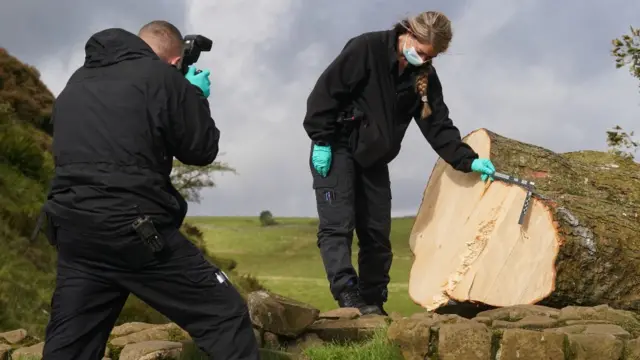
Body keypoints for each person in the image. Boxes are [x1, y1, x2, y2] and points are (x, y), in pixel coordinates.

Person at [40, 21, 260, 360]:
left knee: (71, 345)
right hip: (134, 230)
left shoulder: (77, 82)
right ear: (174, 62)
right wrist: (194, 95)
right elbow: (201, 149)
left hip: (73, 231)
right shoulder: (163, 79)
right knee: (224, 315)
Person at [302, 11, 496, 316]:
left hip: (374, 159)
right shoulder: (366, 49)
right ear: (408, 32)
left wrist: (468, 160)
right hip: (337, 146)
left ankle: (373, 301)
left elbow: (437, 125)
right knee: (338, 225)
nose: (421, 59)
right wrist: (321, 140)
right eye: (419, 51)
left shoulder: (423, 77)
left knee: (377, 232)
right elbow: (324, 94)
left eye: (429, 56)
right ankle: (348, 294)